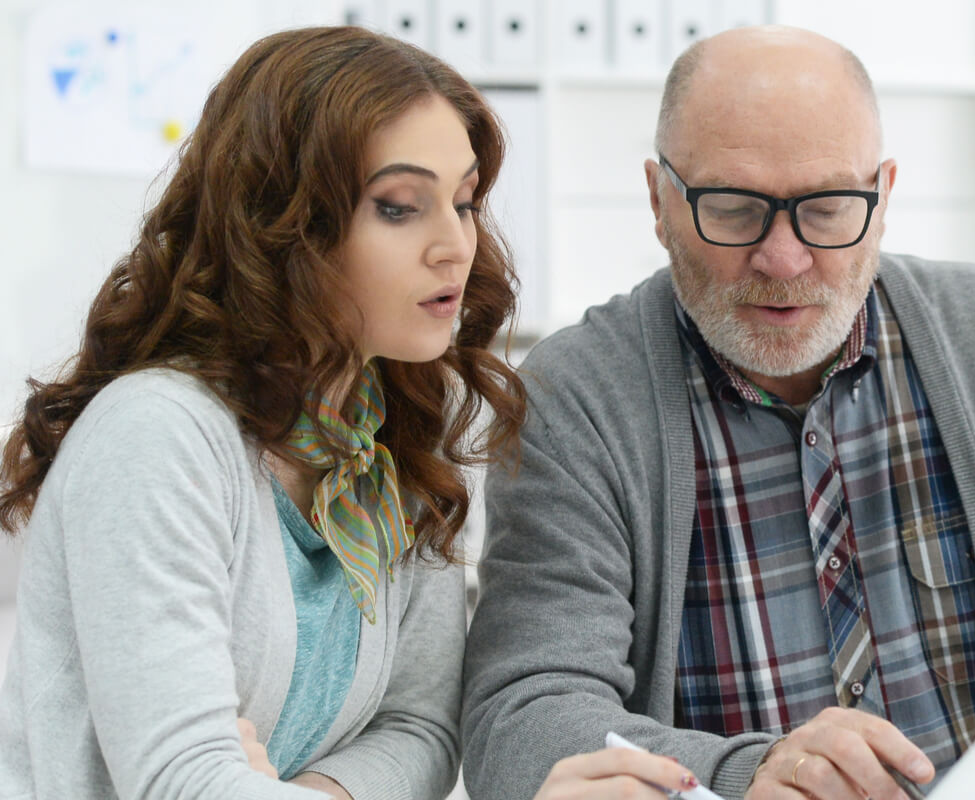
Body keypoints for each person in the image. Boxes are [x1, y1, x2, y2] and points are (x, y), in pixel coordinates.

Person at [462, 25, 975, 800]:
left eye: (830, 208)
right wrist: (746, 774)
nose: (783, 258)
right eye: (732, 208)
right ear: (659, 200)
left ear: (884, 195)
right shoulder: (579, 399)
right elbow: (524, 719)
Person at [0, 26, 681, 800]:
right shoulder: (156, 435)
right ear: (282, 226)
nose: (455, 246)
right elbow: (184, 783)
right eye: (399, 208)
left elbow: (423, 729)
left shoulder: (393, 438)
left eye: (464, 203)